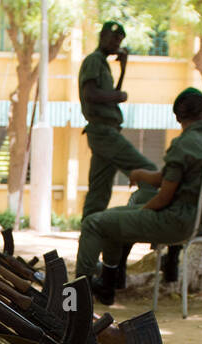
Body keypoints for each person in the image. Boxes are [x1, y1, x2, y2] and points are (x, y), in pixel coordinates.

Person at [77, 88, 202, 305]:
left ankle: (76, 297)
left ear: (177, 117)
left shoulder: (184, 144)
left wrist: (138, 214)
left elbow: (164, 198)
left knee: (95, 222)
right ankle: (108, 285)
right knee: (115, 218)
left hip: (180, 220)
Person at [78, 21, 155, 220]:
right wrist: (117, 97)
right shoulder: (94, 60)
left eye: (119, 40)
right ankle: (150, 217)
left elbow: (112, 94)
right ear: (102, 36)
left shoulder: (103, 64)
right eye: (113, 39)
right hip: (103, 131)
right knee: (150, 172)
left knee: (98, 194)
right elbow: (91, 94)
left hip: (106, 131)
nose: (116, 44)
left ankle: (90, 236)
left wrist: (123, 69)